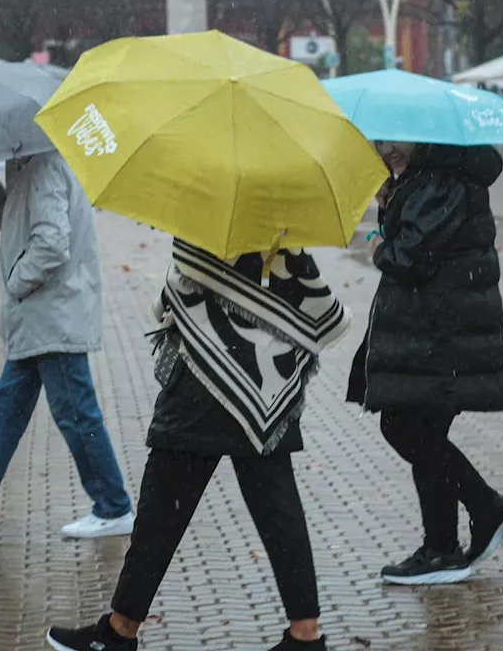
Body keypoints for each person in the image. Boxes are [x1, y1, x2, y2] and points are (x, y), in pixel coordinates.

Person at [46, 239, 350, 651]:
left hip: (199, 390)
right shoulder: (283, 215)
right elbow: (315, 306)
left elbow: (180, 291)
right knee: (278, 511)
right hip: (266, 388)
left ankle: (119, 632)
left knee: (162, 512)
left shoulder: (213, 214)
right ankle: (305, 635)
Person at [0, 152, 134, 539]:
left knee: (75, 412)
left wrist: (16, 282)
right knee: (7, 406)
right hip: (43, 314)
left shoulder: (44, 165)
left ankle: (114, 506)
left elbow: (51, 242)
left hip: (52, 313)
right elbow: (17, 223)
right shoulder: (29, 163)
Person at [349, 141, 503, 586]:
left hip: (440, 335)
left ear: (420, 139)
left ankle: (487, 508)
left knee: (405, 428)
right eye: (380, 146)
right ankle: (441, 547)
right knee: (423, 433)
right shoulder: (427, 180)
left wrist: (379, 246)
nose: (387, 152)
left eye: (393, 144)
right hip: (433, 333)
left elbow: (412, 257)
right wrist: (391, 201)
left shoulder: (442, 181)